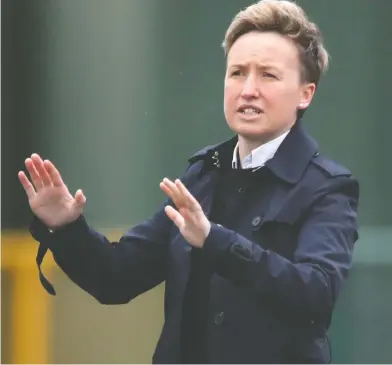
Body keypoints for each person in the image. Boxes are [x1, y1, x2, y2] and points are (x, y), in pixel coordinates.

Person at [18, 0, 359, 363]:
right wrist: (65, 226)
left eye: (268, 75)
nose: (248, 90)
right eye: (237, 73)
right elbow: (116, 279)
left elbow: (316, 296)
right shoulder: (202, 176)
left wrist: (216, 242)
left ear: (306, 93)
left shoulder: (327, 187)